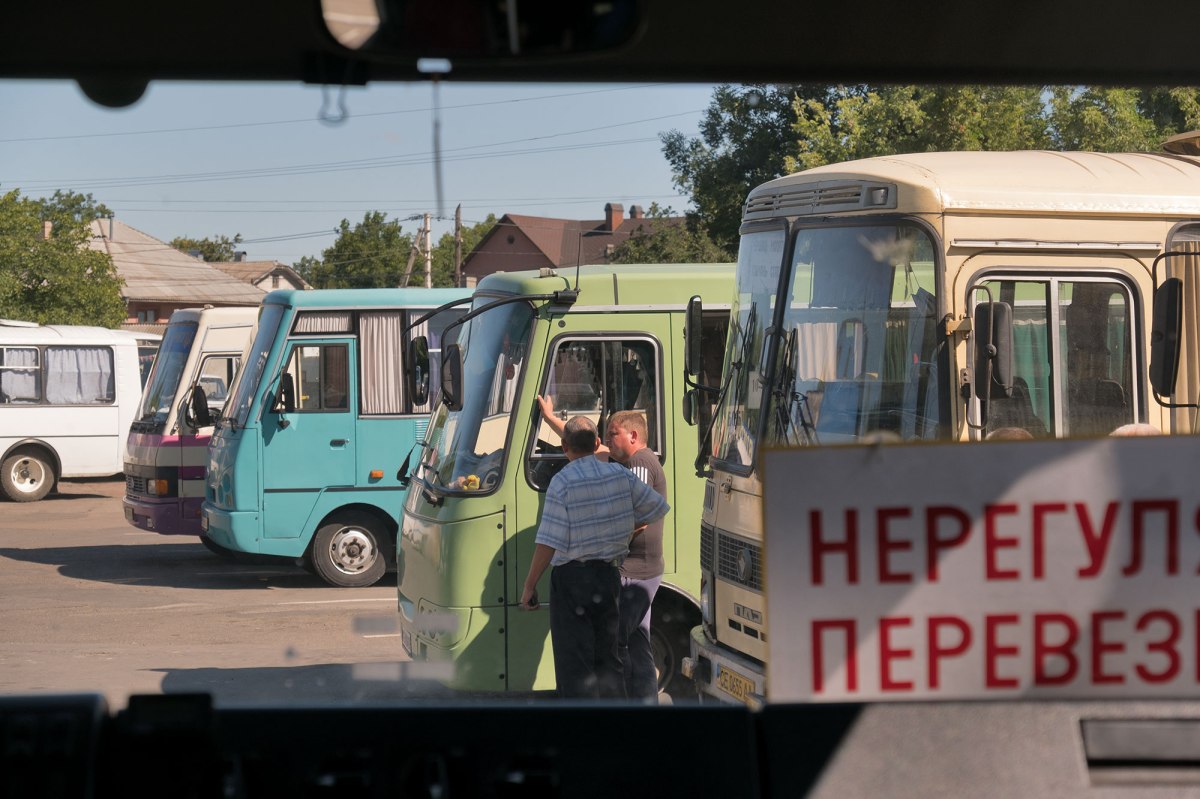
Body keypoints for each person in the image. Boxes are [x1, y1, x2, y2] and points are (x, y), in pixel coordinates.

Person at [519, 415, 669, 699]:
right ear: (598, 443)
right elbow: (657, 507)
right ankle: (614, 727)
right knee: (608, 658)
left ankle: (582, 729)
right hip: (608, 576)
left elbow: (548, 541)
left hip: (571, 580)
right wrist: (621, 527)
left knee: (575, 662)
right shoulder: (620, 475)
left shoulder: (561, 483)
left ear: (564, 447)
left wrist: (530, 586)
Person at [604, 409, 667, 701]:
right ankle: (645, 705)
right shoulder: (637, 459)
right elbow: (587, 445)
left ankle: (623, 707)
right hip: (643, 569)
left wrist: (608, 541)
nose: (608, 440)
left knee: (616, 642)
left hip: (634, 570)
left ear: (633, 435)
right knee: (638, 642)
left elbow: (640, 511)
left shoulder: (640, 461)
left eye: (613, 434)